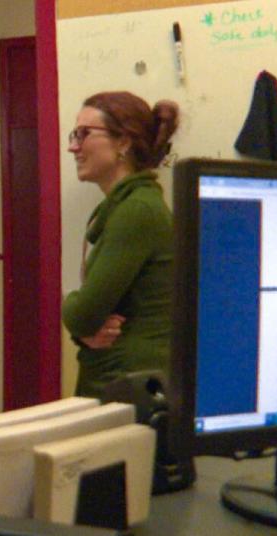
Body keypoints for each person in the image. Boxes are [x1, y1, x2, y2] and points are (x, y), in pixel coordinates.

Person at [62, 91, 179, 398]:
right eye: (75, 135)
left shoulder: (136, 210)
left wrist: (70, 306)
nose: (73, 146)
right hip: (125, 378)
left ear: (124, 142)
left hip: (128, 384)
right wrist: (85, 328)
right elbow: (89, 322)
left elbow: (83, 315)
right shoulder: (128, 207)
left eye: (84, 134)